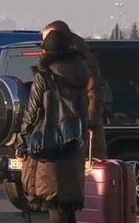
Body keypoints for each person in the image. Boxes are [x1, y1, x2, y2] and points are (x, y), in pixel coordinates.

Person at [18, 30, 90, 223]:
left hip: (51, 145)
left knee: (55, 204)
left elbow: (32, 111)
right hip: (74, 143)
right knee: (68, 204)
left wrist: (21, 139)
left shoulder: (46, 75)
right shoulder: (81, 72)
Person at [41, 20, 106, 159]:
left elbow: (94, 94)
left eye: (47, 39)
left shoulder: (80, 63)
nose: (45, 46)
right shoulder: (58, 63)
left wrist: (88, 125)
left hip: (77, 133)